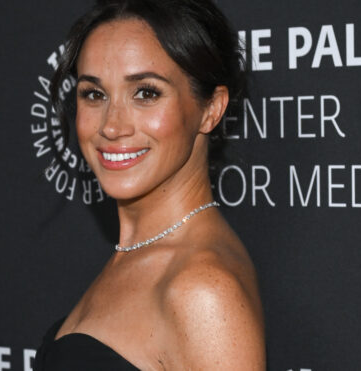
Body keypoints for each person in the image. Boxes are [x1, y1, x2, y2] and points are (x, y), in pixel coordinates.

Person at [34, 0, 265, 369]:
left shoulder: (202, 292)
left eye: (146, 93)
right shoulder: (142, 251)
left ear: (211, 108)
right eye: (94, 94)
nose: (112, 126)